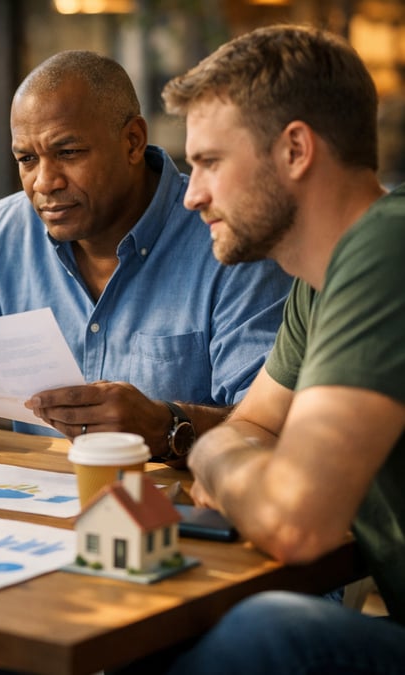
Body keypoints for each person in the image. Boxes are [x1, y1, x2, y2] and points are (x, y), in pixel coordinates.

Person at [0, 50, 292, 463]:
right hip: (25, 505)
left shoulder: (226, 237)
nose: (45, 182)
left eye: (69, 153)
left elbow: (274, 428)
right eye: (27, 159)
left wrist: (168, 427)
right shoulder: (2, 235)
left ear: (132, 141)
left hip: (173, 517)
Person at [156, 24, 405, 673]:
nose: (190, 194)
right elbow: (259, 424)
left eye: (209, 161)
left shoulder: (387, 249)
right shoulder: (317, 284)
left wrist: (203, 445)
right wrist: (233, 449)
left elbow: (296, 519)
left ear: (295, 148)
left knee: (269, 633)